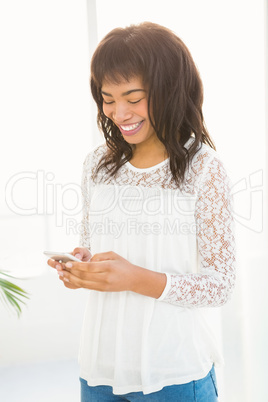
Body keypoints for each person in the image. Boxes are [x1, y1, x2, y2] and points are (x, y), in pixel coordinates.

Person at [47, 21, 236, 401]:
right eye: (108, 98)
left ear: (168, 90)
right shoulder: (96, 164)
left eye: (134, 97)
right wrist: (82, 266)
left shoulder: (203, 169)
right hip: (99, 369)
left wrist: (134, 278)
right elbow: (92, 244)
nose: (119, 112)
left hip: (174, 374)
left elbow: (220, 286)